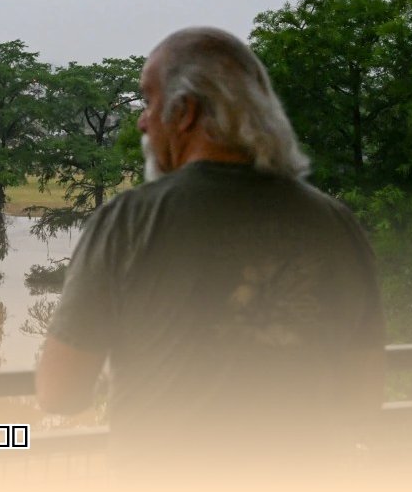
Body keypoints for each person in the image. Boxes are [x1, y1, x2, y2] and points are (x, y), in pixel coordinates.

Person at [35, 27, 385, 485]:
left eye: (148, 101)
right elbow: (363, 398)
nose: (142, 122)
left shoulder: (129, 221)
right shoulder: (337, 225)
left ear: (185, 112)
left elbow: (60, 393)